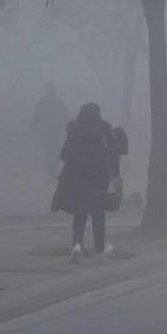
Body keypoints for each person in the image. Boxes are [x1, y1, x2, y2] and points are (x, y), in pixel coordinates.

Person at [52, 103, 131, 263]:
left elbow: (64, 154)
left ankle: (77, 245)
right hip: (98, 178)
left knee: (80, 214)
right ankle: (99, 247)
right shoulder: (102, 129)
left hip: (78, 179)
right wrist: (120, 135)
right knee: (98, 214)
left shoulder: (75, 130)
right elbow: (117, 150)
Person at [31, 82, 70, 179]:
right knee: (48, 152)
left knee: (56, 152)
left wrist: (66, 127)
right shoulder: (42, 103)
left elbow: (66, 116)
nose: (50, 91)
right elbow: (36, 116)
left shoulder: (59, 102)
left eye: (52, 89)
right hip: (46, 132)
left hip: (56, 131)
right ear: (46, 90)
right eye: (48, 89)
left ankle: (54, 171)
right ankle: (50, 172)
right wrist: (33, 127)